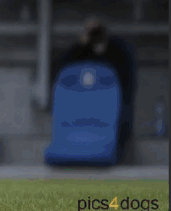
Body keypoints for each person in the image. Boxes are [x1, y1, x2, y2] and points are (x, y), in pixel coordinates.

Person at [50, 17, 136, 161]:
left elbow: (127, 82)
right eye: (92, 32)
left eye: (97, 32)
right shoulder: (78, 53)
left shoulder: (118, 52)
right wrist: (82, 43)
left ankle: (116, 155)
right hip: (81, 110)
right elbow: (60, 68)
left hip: (109, 110)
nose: (95, 36)